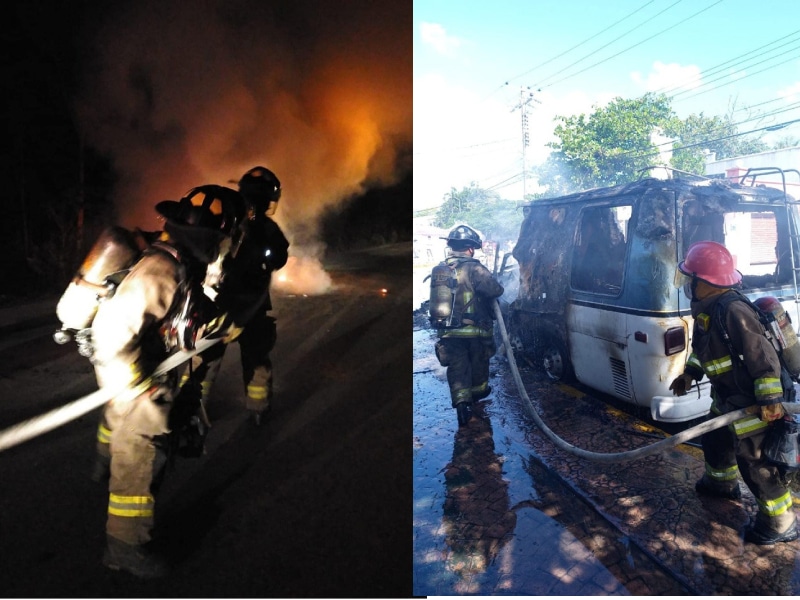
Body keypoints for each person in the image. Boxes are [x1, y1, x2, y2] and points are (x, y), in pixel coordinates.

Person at [90, 184, 245, 577]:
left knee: (125, 433)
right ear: (214, 236)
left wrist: (215, 324)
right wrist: (140, 386)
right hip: (132, 372)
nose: (227, 246)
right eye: (226, 238)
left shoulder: (180, 261)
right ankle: (125, 546)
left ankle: (102, 466)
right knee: (140, 450)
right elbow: (110, 334)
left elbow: (180, 315)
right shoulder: (161, 268)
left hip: (140, 366)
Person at [669, 240, 798, 545]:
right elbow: (704, 350)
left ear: (707, 282)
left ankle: (780, 522)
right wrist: (691, 373)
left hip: (751, 402)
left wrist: (769, 401)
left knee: (757, 462)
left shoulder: (734, 311)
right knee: (716, 441)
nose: (688, 286)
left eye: (692, 279)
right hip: (726, 398)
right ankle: (720, 483)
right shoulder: (708, 310)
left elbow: (762, 357)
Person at [185, 166, 290, 425]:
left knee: (204, 360)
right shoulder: (268, 229)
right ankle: (258, 409)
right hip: (251, 308)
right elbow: (280, 258)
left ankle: (190, 410)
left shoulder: (223, 216)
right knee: (256, 361)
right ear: (268, 200)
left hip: (214, 305)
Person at [433, 224, 504, 427]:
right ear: (471, 248)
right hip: (475, 332)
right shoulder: (475, 268)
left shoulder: (441, 269)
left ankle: (462, 407)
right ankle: (477, 399)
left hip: (448, 332)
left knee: (457, 368)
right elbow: (495, 290)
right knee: (478, 365)